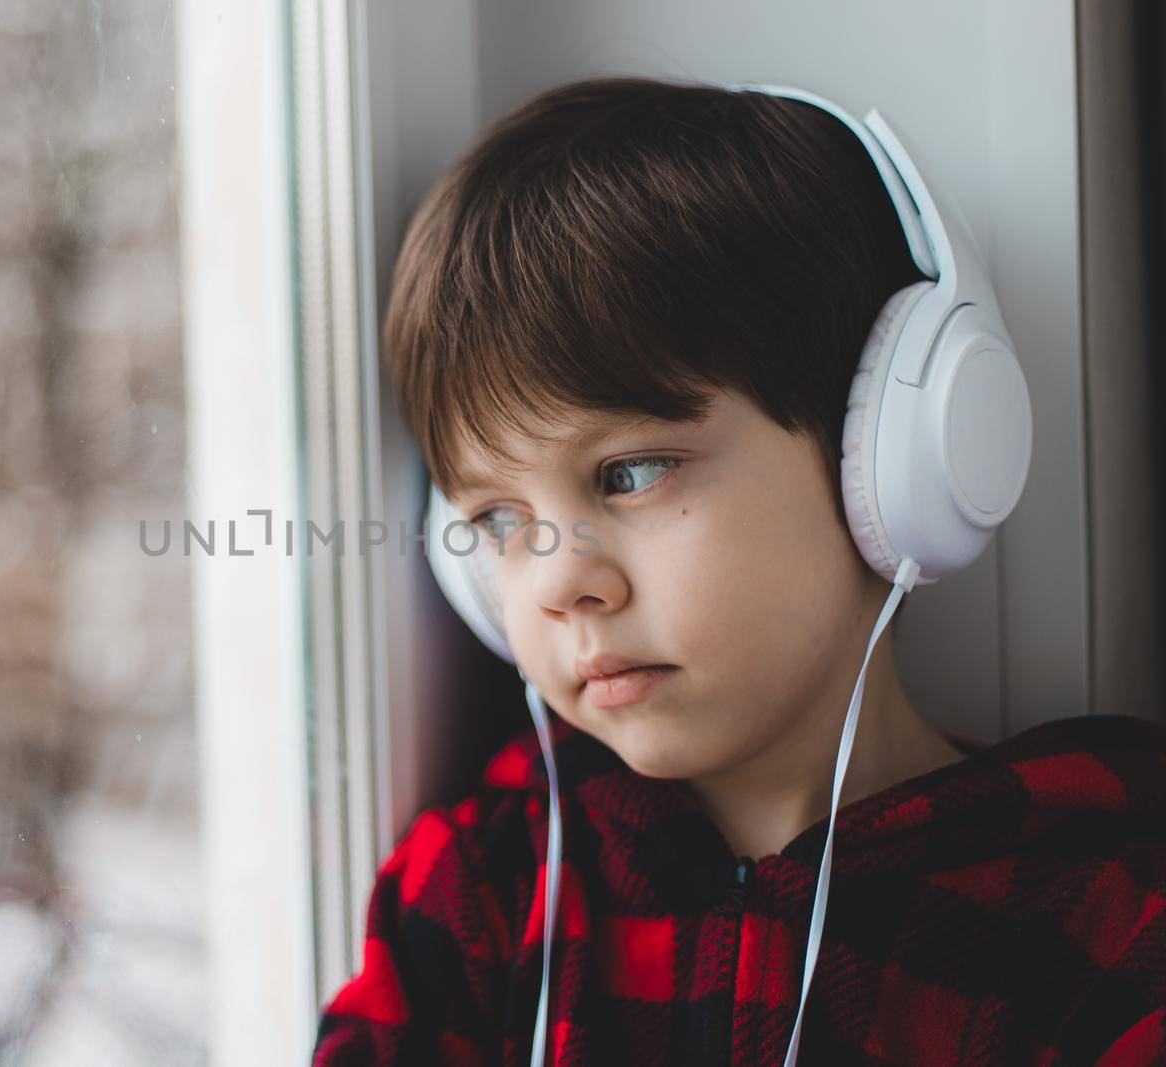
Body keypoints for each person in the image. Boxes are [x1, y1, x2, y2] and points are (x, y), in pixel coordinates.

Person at [310, 76, 1166, 1066]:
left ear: (891, 458)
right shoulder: (478, 903)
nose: (556, 582)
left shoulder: (1100, 919)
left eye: (627, 472)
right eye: (499, 517)